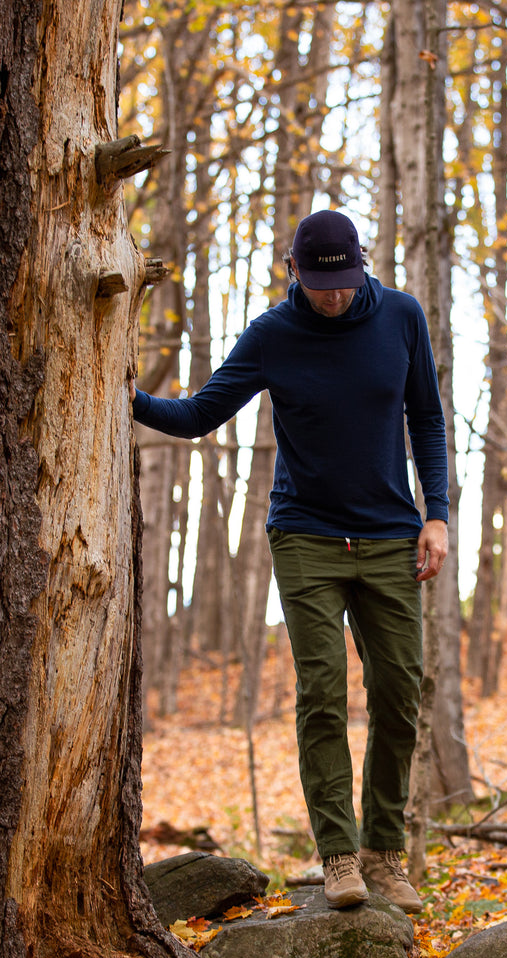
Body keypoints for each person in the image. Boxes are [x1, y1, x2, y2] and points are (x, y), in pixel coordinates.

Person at [130, 208, 449, 914]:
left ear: (361, 266)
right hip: (305, 534)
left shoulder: (401, 316)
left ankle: (385, 853)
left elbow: (426, 415)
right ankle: (339, 856)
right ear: (293, 273)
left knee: (400, 691)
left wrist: (437, 515)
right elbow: (197, 416)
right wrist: (126, 397)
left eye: (342, 284)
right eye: (316, 285)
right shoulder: (272, 335)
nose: (332, 297)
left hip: (393, 533)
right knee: (322, 690)